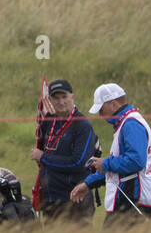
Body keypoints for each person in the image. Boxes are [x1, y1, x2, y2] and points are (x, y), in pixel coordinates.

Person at [70, 82, 151, 225]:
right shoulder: (127, 122)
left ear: (113, 104)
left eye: (101, 109)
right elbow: (120, 164)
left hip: (131, 200)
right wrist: (89, 183)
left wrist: (105, 163)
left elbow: (136, 161)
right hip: (130, 198)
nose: (101, 115)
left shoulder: (131, 124)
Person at [29, 79, 99, 225]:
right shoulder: (48, 120)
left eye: (64, 97)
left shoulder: (82, 125)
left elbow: (78, 163)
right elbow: (45, 153)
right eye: (56, 98)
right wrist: (41, 159)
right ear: (50, 100)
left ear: (72, 96)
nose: (61, 102)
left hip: (75, 200)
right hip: (50, 199)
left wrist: (43, 157)